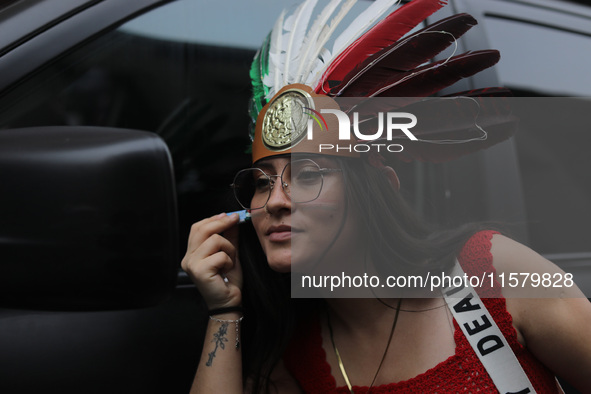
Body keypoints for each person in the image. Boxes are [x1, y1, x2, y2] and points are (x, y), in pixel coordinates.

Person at [181, 0, 591, 392]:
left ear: (375, 190)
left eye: (308, 174)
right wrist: (224, 312)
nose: (275, 201)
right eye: (263, 182)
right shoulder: (291, 358)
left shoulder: (493, 273)